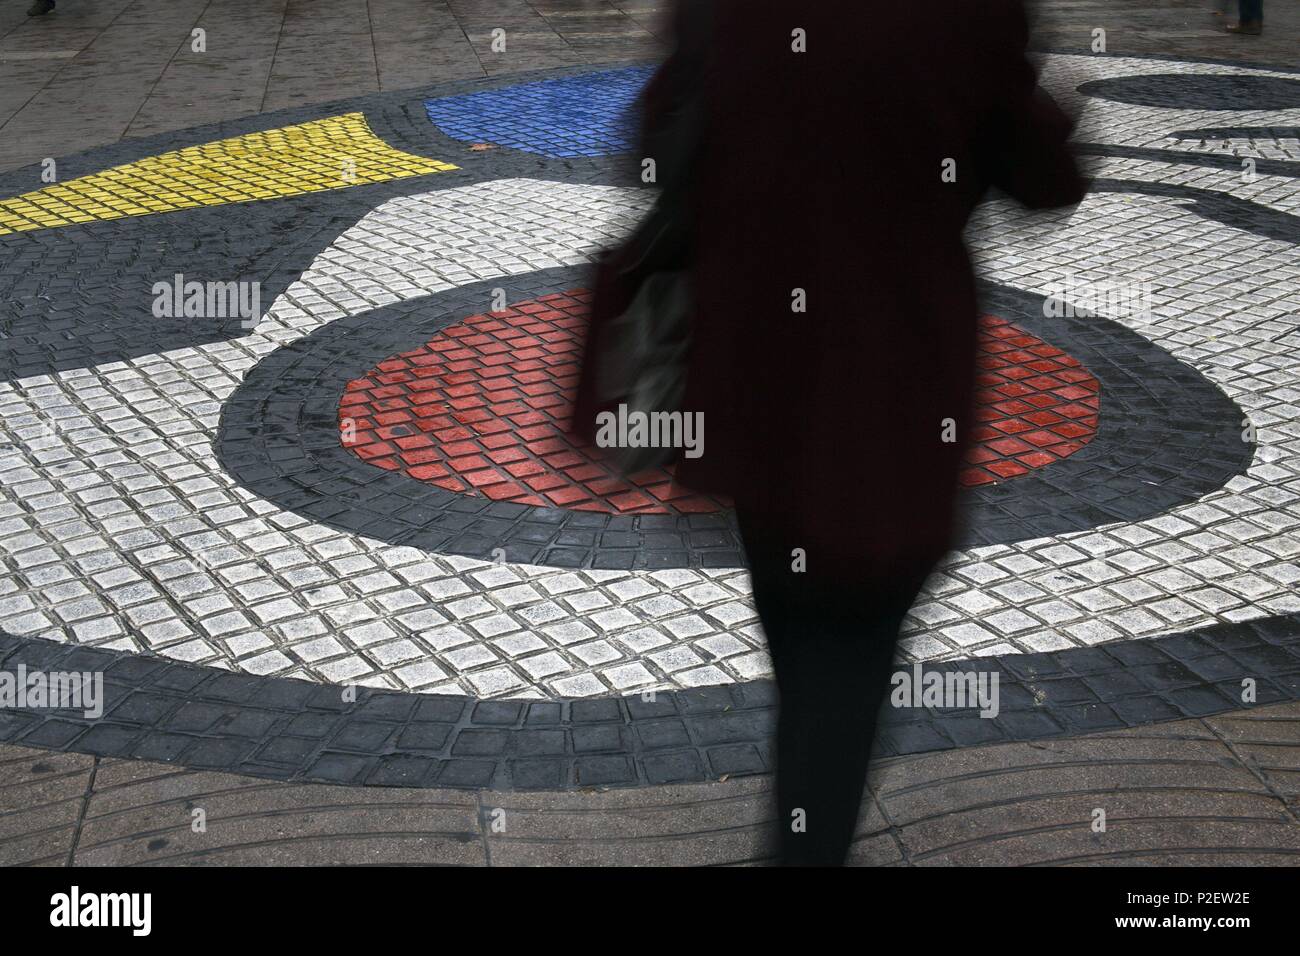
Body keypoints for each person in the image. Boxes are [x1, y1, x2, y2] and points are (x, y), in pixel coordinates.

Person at [574, 0, 1086, 865]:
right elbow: (1045, 176)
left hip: (757, 373)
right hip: (893, 386)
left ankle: (802, 822)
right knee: (852, 647)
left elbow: (658, 145)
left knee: (803, 625)